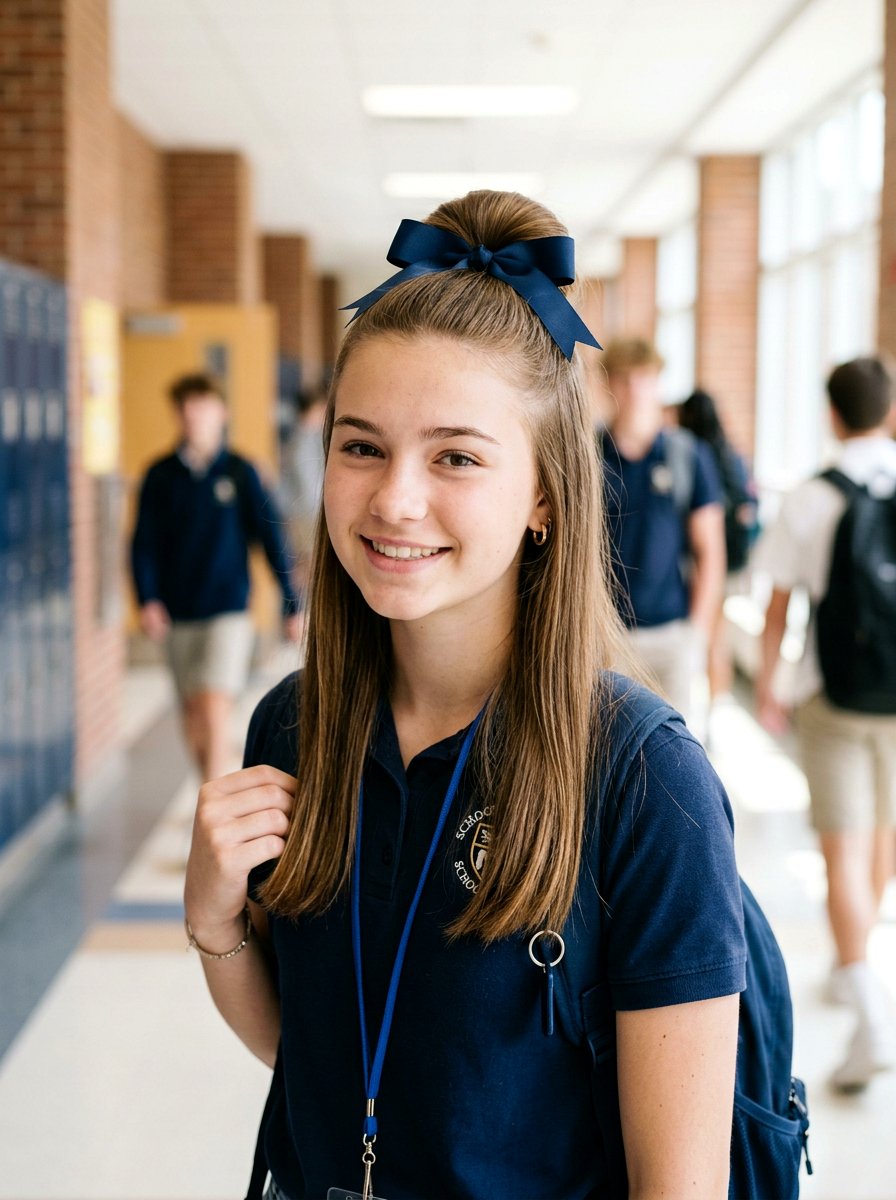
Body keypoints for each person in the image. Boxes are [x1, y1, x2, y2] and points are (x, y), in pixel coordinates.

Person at [184, 192, 746, 1200]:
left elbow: (679, 1183)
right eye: (360, 447)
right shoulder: (293, 724)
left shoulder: (640, 779)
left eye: (454, 457)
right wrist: (213, 918)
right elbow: (309, 1057)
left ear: (541, 493)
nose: (394, 498)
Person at [756, 355, 896, 1093]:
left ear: (832, 414)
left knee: (840, 847)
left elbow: (778, 605)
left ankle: (868, 1003)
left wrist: (771, 683)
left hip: (834, 697)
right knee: (882, 838)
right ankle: (857, 960)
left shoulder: (812, 497)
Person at [131, 372, 301, 782]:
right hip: (179, 612)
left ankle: (209, 814)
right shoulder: (159, 475)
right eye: (186, 407)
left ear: (220, 412)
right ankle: (209, 789)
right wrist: (147, 599)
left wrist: (291, 603)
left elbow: (271, 537)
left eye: (203, 405)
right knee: (193, 716)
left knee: (213, 705)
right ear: (178, 414)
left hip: (228, 609)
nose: (194, 415)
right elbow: (142, 543)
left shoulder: (241, 472)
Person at [599, 339, 727, 729]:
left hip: (672, 631)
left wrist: (697, 633)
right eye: (623, 380)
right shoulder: (588, 453)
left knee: (673, 745)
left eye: (644, 379)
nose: (634, 390)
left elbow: (710, 550)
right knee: (605, 743)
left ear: (657, 384)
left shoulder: (686, 455)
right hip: (606, 632)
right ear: (608, 386)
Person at [677, 387, 759, 699]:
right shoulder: (730, 452)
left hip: (697, 559)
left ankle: (703, 705)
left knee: (701, 634)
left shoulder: (691, 454)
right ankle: (715, 706)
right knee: (718, 635)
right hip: (732, 559)